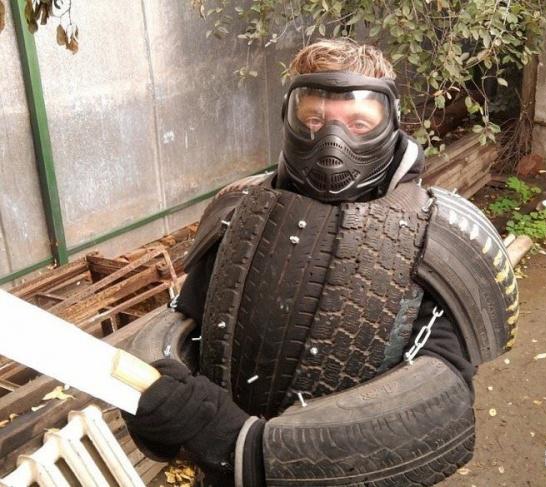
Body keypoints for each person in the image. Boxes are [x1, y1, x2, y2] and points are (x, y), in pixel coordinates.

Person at [123, 38, 515, 487]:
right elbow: (187, 321)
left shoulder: (436, 232)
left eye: (358, 122)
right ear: (290, 117)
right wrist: (165, 401)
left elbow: (439, 396)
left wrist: (251, 447)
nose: (333, 140)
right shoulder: (238, 210)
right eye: (314, 119)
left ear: (390, 122)